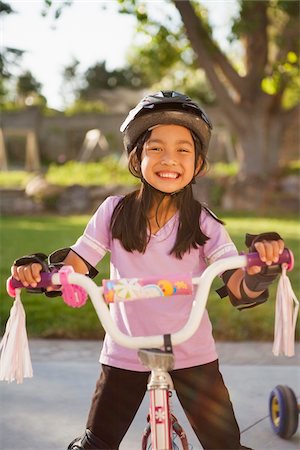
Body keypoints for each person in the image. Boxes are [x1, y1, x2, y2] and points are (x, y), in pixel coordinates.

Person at [11, 91, 285, 450]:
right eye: (155, 148)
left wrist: (260, 265)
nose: (169, 158)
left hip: (192, 351)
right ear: (136, 156)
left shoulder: (205, 223)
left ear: (198, 164)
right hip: (126, 349)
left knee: (224, 445)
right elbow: (74, 266)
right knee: (96, 444)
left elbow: (237, 284)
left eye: (183, 149)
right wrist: (40, 272)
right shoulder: (113, 213)